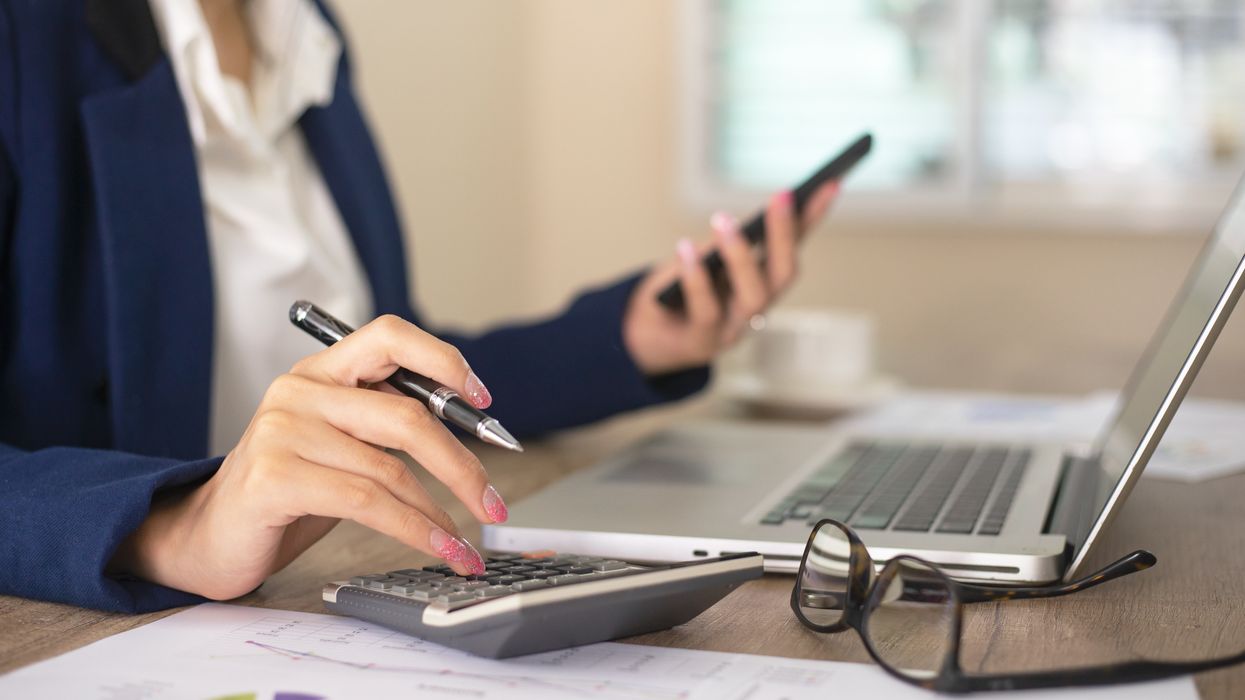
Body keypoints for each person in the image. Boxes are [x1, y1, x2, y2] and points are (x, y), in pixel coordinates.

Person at [0, 0, 839, 613]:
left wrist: (631, 338)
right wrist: (173, 527)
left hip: (328, 583)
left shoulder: (306, 34)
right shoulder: (23, 37)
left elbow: (396, 376)